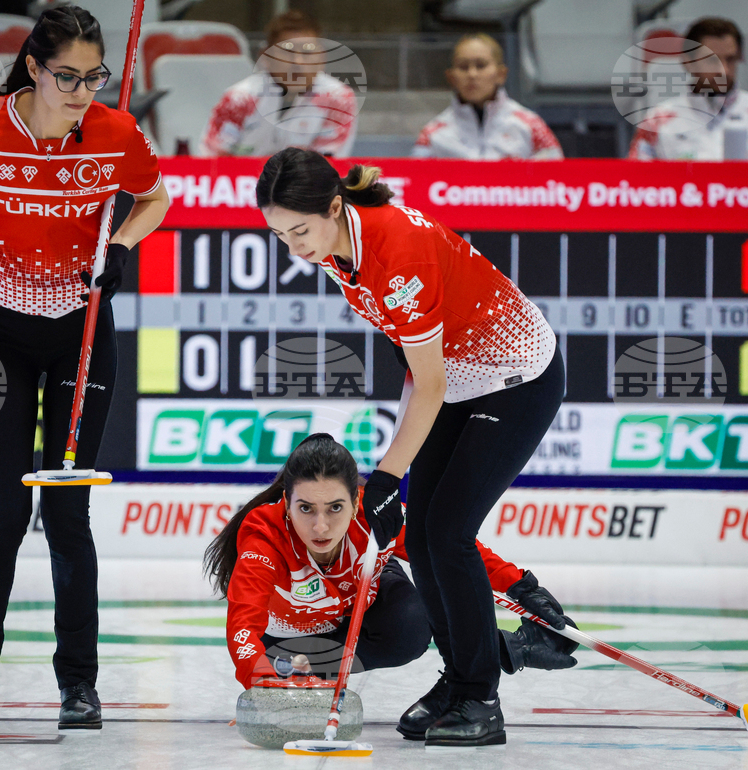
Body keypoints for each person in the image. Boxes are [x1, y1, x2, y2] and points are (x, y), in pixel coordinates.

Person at [0, 5, 169, 732]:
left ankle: (78, 686)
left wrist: (120, 248)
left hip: (81, 336)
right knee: (4, 512)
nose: (82, 91)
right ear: (32, 67)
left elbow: (155, 199)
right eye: (67, 76)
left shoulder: (116, 133)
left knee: (66, 513)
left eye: (94, 77)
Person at [255, 148, 565, 747]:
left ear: (335, 207)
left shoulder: (398, 257)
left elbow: (432, 384)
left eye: (300, 230)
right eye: (279, 235)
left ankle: (480, 697)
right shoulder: (339, 246)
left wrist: (386, 475)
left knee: (446, 531)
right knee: (420, 535)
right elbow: (413, 358)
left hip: (516, 376)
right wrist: (397, 475)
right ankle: (458, 681)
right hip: (456, 375)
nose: (295, 248)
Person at [204, 434, 577, 741]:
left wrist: (523, 587)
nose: (320, 527)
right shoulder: (263, 536)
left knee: (413, 622)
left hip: (370, 613)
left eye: (335, 508)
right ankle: (505, 648)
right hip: (302, 647)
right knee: (289, 671)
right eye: (306, 509)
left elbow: (449, 548)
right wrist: (263, 675)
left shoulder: (374, 516)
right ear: (286, 504)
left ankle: (498, 650)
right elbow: (242, 625)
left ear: (355, 501)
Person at [628, 17, 748, 161]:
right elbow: (639, 187)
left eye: (730, 59)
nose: (724, 70)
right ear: (687, 62)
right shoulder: (658, 121)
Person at [198, 10, 358, 157]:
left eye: (307, 52)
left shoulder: (338, 99)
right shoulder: (239, 98)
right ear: (265, 56)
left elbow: (329, 163)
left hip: (308, 186)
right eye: (287, 51)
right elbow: (213, 158)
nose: (298, 62)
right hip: (242, 184)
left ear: (321, 56)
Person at [412, 34, 562, 160]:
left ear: (501, 74)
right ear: (451, 77)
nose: (472, 74)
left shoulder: (531, 126)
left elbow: (560, 182)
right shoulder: (432, 135)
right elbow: (414, 185)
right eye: (463, 67)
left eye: (481, 65)